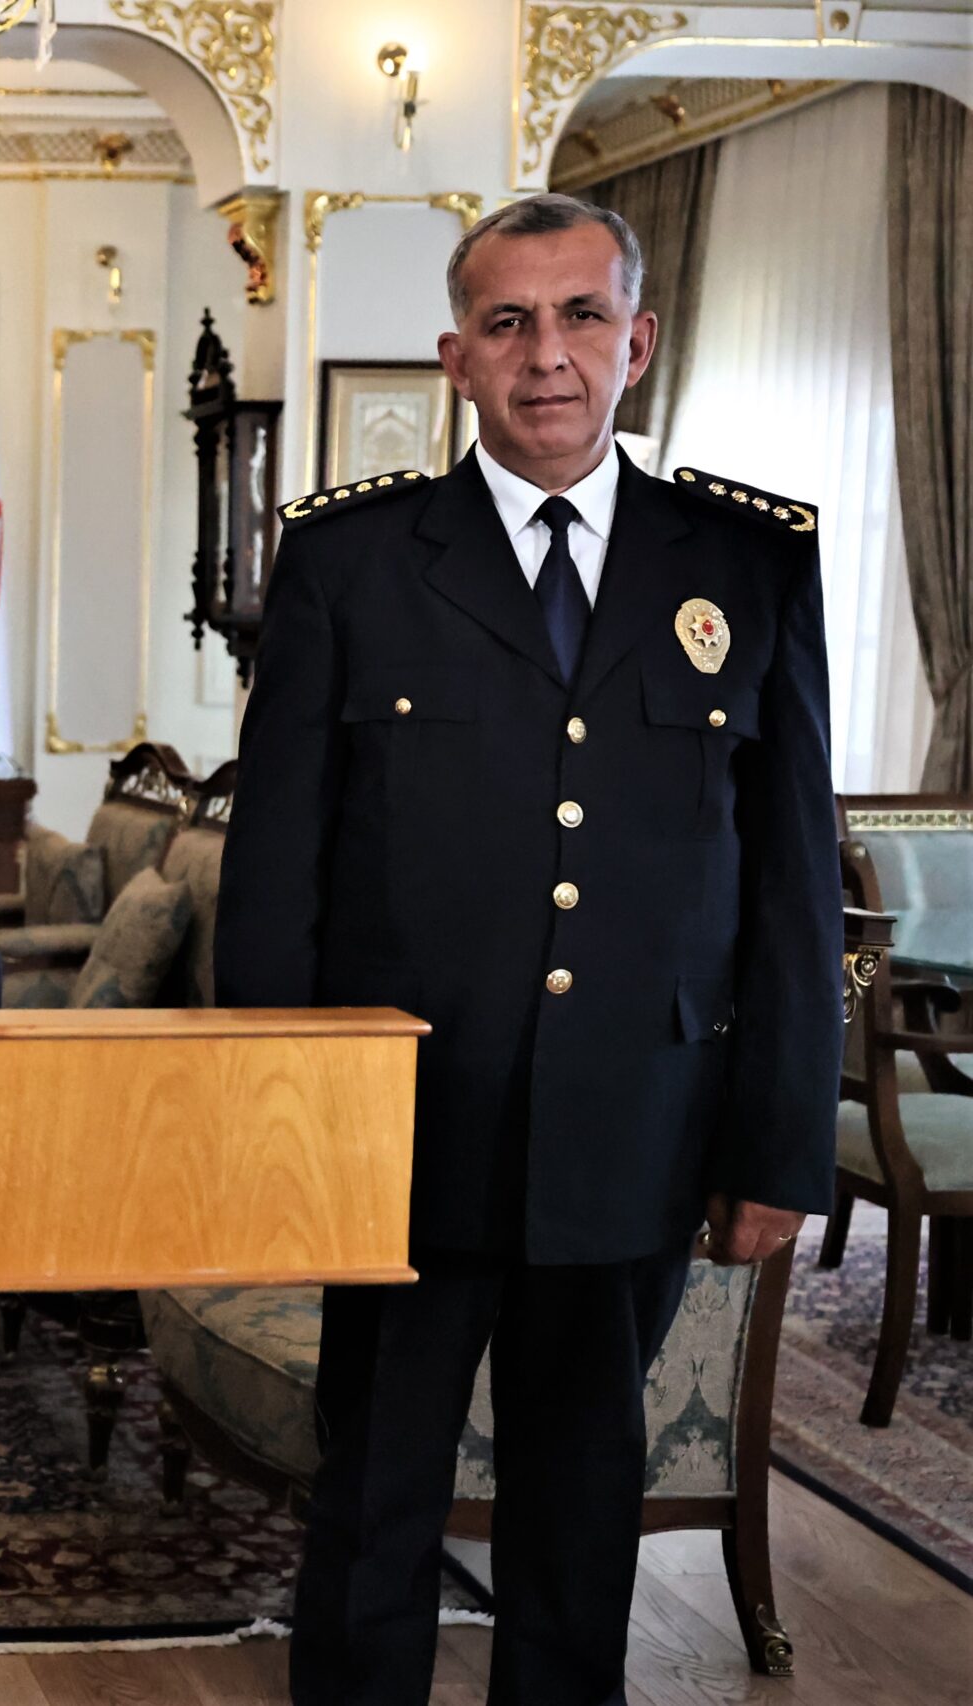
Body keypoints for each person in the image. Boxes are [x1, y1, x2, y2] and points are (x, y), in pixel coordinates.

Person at [216, 191, 841, 1706]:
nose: (543, 354)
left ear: (638, 340)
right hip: (402, 1127)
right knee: (375, 1490)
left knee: (583, 1495)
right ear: (456, 357)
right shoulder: (352, 560)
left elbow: (789, 883)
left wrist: (779, 1142)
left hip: (637, 1122)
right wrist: (280, 1136)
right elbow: (275, 872)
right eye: (506, 322)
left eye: (578, 317)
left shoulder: (746, 561)